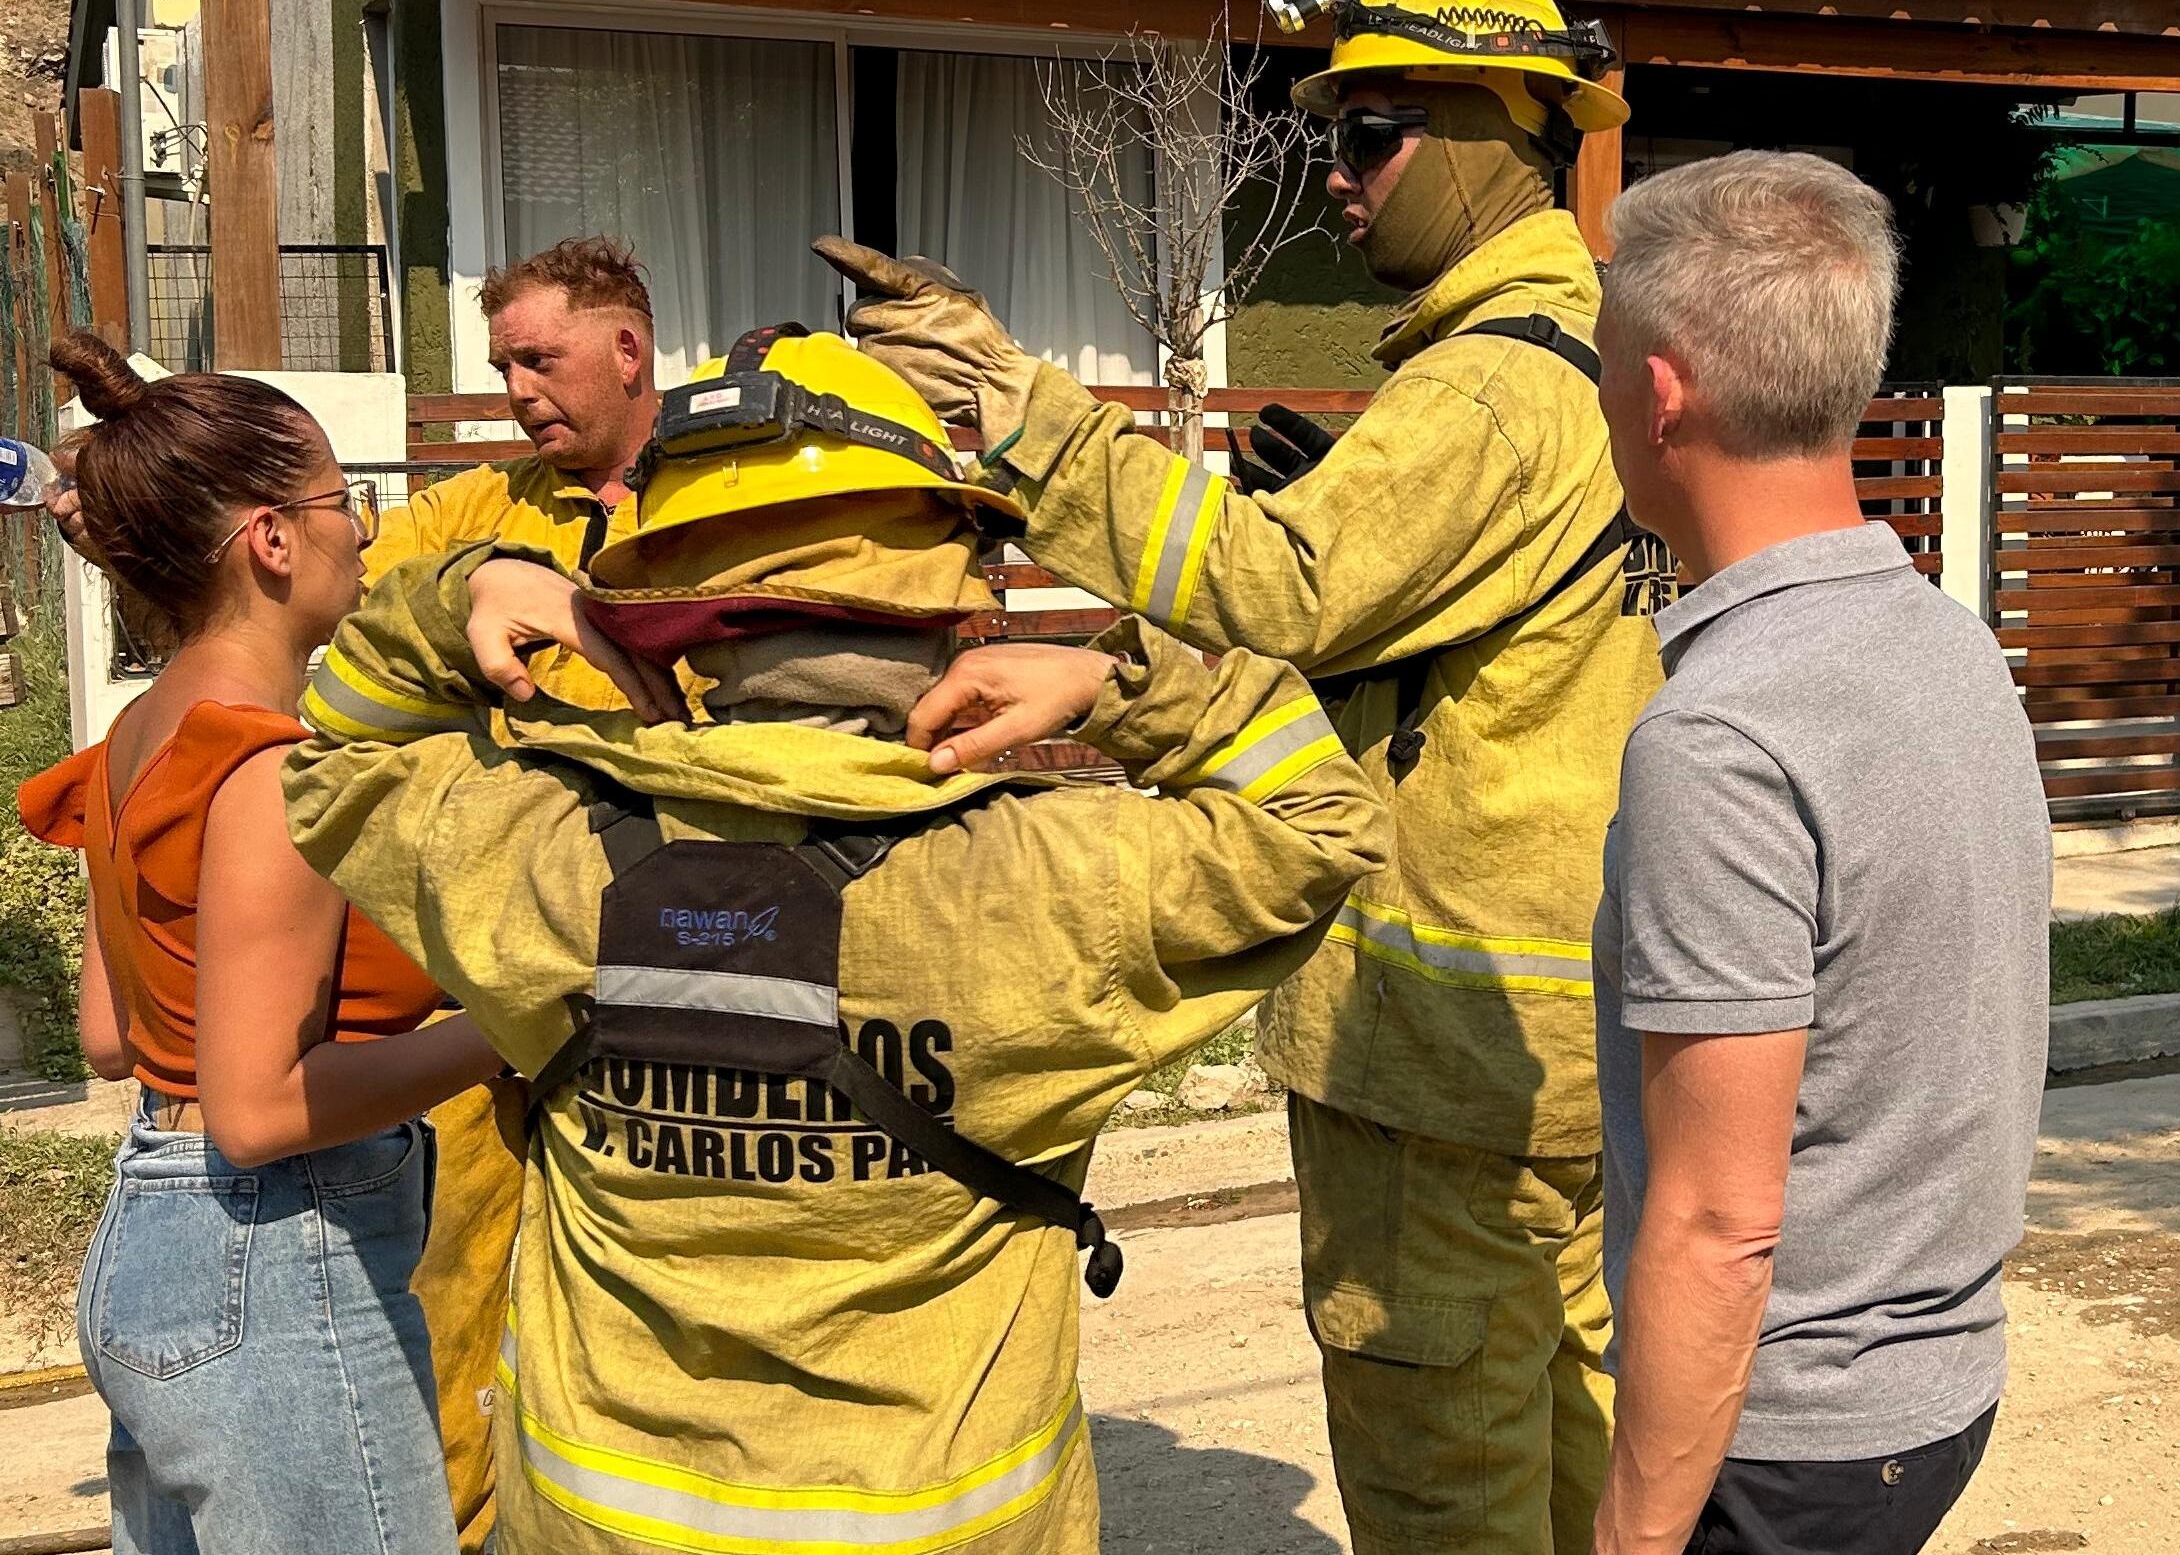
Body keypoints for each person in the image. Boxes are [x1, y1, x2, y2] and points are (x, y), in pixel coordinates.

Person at [822, 0, 1670, 1554]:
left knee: (1456, 1497)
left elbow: (1275, 592)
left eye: (1372, 132)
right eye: (1320, 132)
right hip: (1577, 1051)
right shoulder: (1595, 367)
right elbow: (1425, 644)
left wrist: (1018, 406)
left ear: (1506, 137)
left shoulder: (1486, 396)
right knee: (1587, 1469)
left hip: (1440, 1070)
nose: (1332, 171)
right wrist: (1111, 682)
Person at [281, 327, 1384, 1554]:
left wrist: (460, 593)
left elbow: (335, 760)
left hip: (607, 1522)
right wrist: (1115, 685)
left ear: (667, 615)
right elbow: (1321, 820)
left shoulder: (532, 848)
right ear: (953, 597)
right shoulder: (1070, 880)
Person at [1586, 154, 2050, 1555]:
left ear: (1660, 391)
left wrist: (1629, 1533)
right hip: (1937, 1390)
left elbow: (1720, 1222)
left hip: (1785, 1439)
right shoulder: (1943, 637)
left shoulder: (1720, 736)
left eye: (1602, 358)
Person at [19, 332, 500, 1555]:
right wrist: (503, 1034)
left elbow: (112, 1035)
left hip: (152, 1241)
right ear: (272, 539)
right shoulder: (267, 770)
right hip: (276, 1261)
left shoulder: (141, 733)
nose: (369, 532)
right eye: (349, 502)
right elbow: (261, 1109)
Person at [319, 235, 666, 1551]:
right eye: (504, 362)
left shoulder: (719, 499)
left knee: (647, 1292)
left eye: (541, 356)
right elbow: (357, 608)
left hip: (671, 970)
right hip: (480, 971)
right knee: (451, 1273)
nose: (519, 387)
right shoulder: (477, 513)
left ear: (626, 349)